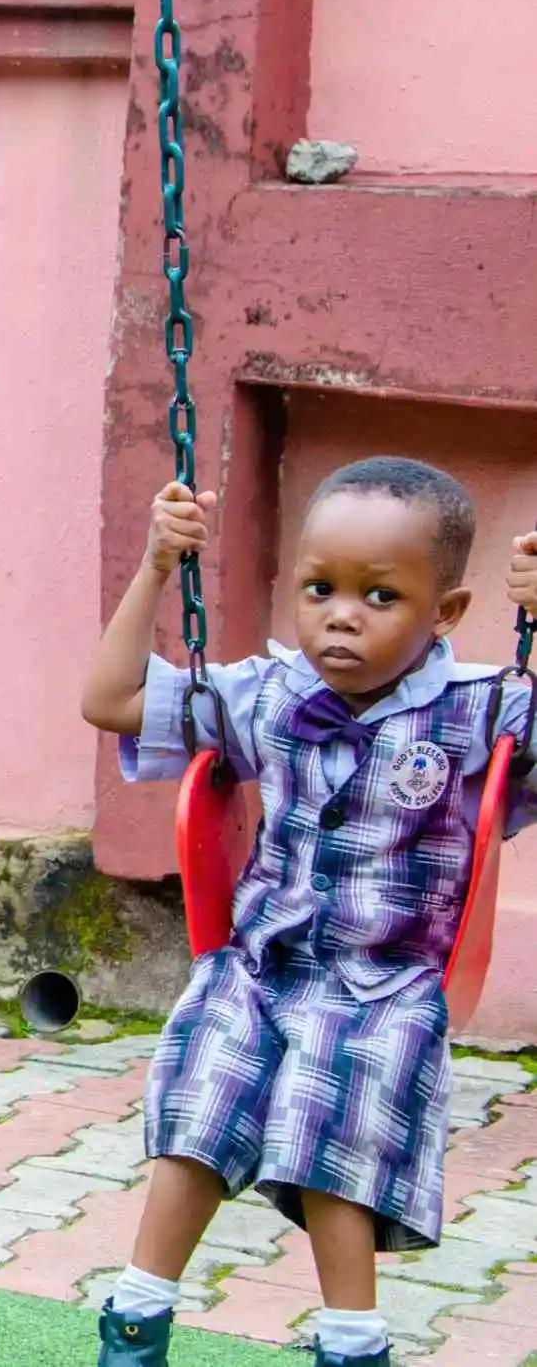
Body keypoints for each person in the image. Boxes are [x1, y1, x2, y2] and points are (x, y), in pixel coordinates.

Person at [81, 457, 537, 1367]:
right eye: (322, 587)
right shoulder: (269, 691)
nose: (341, 614)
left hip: (390, 985)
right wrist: (156, 566)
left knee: (334, 1126)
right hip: (260, 965)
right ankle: (135, 1320)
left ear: (444, 613)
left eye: (380, 596)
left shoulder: (481, 710)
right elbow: (109, 700)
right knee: (199, 1106)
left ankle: (351, 1343)